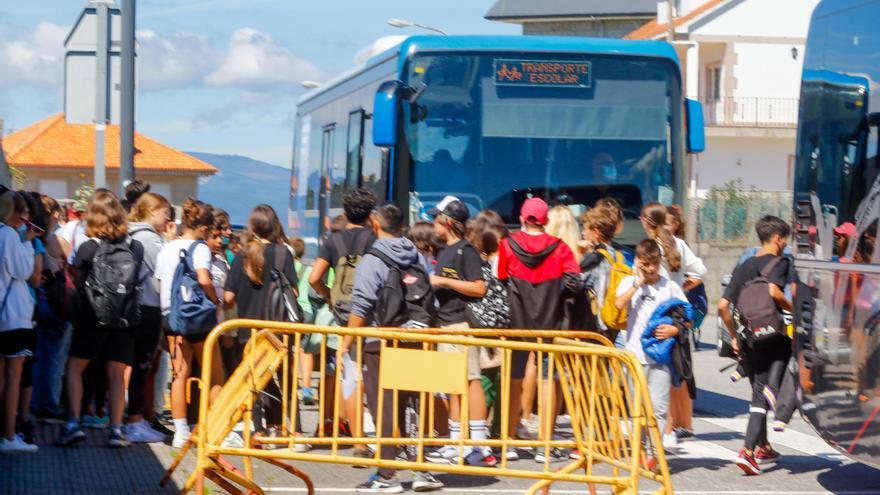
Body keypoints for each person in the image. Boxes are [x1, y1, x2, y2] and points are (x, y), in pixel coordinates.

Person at [341, 203, 443, 493]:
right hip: (417, 336)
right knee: (414, 404)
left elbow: (361, 305)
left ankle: (386, 474)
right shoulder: (417, 256)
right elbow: (430, 299)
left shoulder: (373, 259)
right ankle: (421, 469)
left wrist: (346, 342)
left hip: (381, 339)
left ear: (375, 224)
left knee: (383, 405)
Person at [56, 189, 145, 448]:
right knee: (116, 375)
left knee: (75, 368)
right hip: (124, 320)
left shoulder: (88, 248)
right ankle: (116, 429)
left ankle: (73, 424)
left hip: (91, 318)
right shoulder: (135, 247)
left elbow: (78, 285)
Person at [497, 197, 580, 462]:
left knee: (514, 378)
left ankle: (508, 440)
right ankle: (544, 445)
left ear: (522, 218)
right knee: (547, 381)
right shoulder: (560, 248)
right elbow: (574, 282)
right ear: (544, 221)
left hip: (516, 323)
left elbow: (500, 278)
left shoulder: (507, 245)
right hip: (550, 323)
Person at [718, 216, 794, 475]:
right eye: (785, 239)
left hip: (749, 336)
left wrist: (735, 337)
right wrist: (793, 307)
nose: (785, 244)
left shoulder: (744, 265)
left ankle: (762, 445)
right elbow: (773, 292)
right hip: (772, 334)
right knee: (786, 350)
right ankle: (748, 451)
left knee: (756, 390)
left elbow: (722, 306)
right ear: (777, 238)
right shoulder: (780, 262)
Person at [224, 204, 304, 448]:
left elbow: (228, 298)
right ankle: (293, 432)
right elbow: (293, 291)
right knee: (285, 379)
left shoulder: (242, 255)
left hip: (248, 330)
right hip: (277, 330)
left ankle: (257, 431)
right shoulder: (283, 253)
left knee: (253, 382)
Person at [424, 196, 493, 467]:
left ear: (448, 221)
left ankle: (478, 444)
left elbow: (479, 287)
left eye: (436, 218)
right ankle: (456, 442)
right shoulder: (444, 251)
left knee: (471, 379)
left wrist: (443, 280)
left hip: (461, 323)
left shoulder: (467, 250)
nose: (433, 223)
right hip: (445, 323)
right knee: (454, 383)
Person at [155, 198, 224, 449]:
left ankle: (181, 431)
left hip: (171, 316)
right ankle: (213, 429)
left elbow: (160, 283)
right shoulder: (200, 247)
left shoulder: (167, 247)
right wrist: (215, 301)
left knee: (179, 374)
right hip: (197, 317)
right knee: (214, 373)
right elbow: (204, 279)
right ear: (204, 228)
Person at [614, 239, 687, 455]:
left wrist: (675, 329)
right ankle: (640, 449)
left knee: (659, 409)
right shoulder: (629, 283)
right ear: (638, 261)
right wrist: (638, 282)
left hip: (661, 357)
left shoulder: (670, 287)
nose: (651, 269)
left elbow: (690, 315)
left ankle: (653, 453)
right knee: (637, 409)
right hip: (634, 356)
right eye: (646, 263)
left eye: (655, 263)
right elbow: (618, 304)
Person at [124, 192, 173, 443]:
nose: (168, 218)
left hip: (132, 305)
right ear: (152, 211)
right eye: (166, 212)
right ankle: (135, 420)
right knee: (142, 365)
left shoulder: (129, 233)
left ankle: (135, 418)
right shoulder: (151, 240)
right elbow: (164, 273)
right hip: (149, 305)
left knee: (135, 364)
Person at [0, 187, 39, 453]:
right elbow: (24, 271)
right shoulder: (10, 236)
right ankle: (9, 435)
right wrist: (27, 241)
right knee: (14, 377)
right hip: (13, 315)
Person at [579, 204, 625, 341]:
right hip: (614, 323)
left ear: (597, 232)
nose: (583, 233)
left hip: (597, 327)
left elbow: (575, 283)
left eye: (586, 228)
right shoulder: (618, 256)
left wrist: (580, 255)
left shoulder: (596, 258)